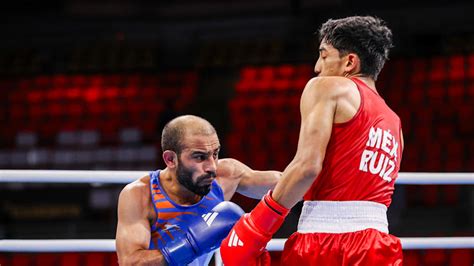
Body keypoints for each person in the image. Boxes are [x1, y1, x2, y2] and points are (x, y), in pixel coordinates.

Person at [220, 15, 404, 265]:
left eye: (324, 54)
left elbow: (307, 168)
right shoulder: (394, 122)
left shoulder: (327, 87)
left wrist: (256, 226)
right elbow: (345, 181)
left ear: (349, 62)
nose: (317, 66)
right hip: (378, 244)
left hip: (325, 240)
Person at [116, 115, 281, 266]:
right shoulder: (141, 195)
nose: (212, 167)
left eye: (215, 154)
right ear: (170, 159)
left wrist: (305, 168)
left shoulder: (226, 175)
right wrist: (191, 245)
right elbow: (131, 263)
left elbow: (287, 184)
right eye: (199, 157)